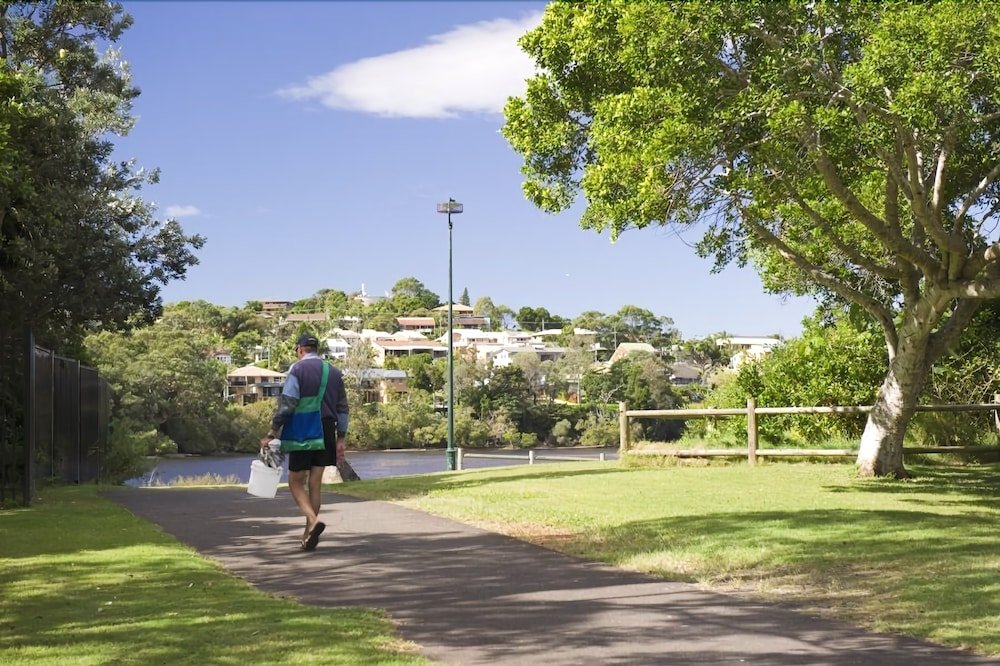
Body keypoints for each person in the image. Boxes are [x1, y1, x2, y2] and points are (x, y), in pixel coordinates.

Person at [260, 334, 349, 551]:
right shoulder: (334, 372)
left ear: (300, 350)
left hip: (304, 431)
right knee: (315, 484)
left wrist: (273, 431)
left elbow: (288, 403)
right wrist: (341, 437)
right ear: (316, 349)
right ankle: (307, 535)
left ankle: (314, 522)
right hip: (327, 430)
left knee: (295, 482)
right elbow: (343, 408)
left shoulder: (297, 370)